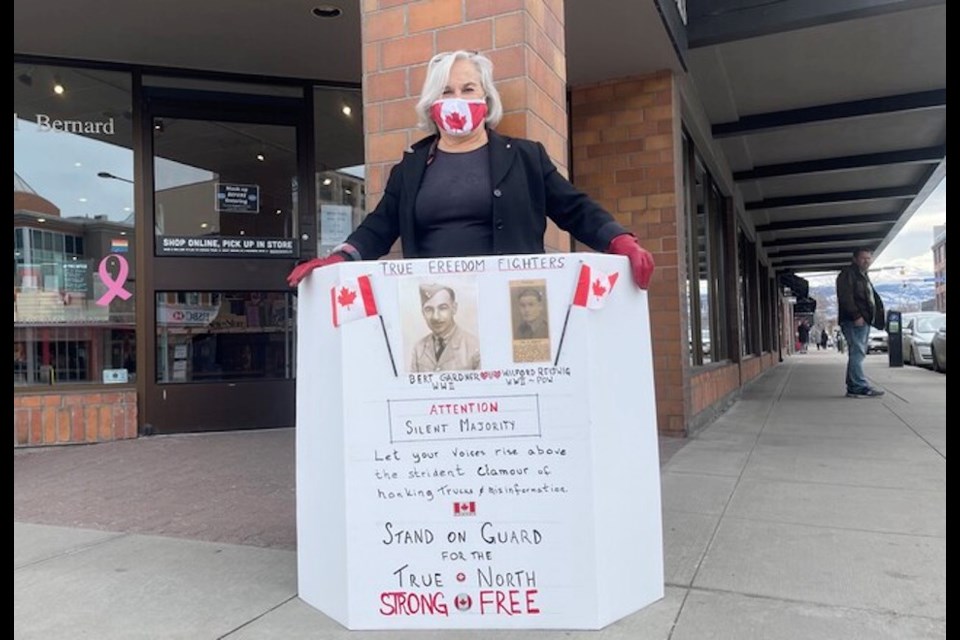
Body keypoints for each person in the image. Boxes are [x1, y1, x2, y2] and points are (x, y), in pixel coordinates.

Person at [286, 50, 654, 289]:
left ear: (486, 98)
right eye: (447, 92)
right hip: (435, 305)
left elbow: (574, 208)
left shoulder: (526, 158)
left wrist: (618, 239)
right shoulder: (411, 167)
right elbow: (380, 226)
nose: (458, 100)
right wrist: (341, 257)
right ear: (432, 104)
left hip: (514, 301)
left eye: (468, 88)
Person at [836, 247, 886, 398]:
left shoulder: (863, 276)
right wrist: (856, 315)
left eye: (869, 258)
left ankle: (853, 386)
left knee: (857, 353)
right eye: (863, 258)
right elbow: (845, 297)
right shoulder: (848, 274)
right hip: (854, 320)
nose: (867, 261)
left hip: (864, 320)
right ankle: (859, 386)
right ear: (855, 259)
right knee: (858, 353)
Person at [409, 283, 481, 372]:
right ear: (423, 313)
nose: (436, 317)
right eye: (429, 309)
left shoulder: (475, 347)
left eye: (442, 308)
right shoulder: (418, 348)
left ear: (454, 308)